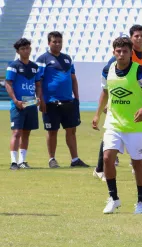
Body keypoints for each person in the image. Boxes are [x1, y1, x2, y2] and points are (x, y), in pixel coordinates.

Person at [92, 37, 142, 214]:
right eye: (118, 51)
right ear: (113, 52)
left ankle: (141, 202)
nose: (121, 54)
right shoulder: (107, 70)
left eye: (125, 51)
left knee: (137, 164)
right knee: (107, 158)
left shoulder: (140, 71)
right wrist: (97, 114)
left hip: (135, 127)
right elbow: (105, 92)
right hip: (114, 123)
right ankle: (113, 198)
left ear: (131, 53)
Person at [36, 31, 88, 168]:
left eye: (60, 41)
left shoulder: (67, 59)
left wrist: (76, 97)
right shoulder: (43, 59)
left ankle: (75, 159)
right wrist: (40, 99)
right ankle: (52, 159)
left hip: (68, 101)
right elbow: (38, 81)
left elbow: (73, 79)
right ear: (49, 43)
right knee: (52, 131)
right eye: (54, 41)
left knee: (71, 130)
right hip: (51, 102)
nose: (58, 44)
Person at [6, 38, 44, 170]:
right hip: (18, 103)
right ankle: (13, 162)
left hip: (30, 102)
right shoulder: (14, 66)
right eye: (23, 49)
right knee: (16, 132)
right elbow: (8, 84)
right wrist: (16, 101)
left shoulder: (35, 67)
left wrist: (38, 97)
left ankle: (22, 161)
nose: (26, 51)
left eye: (27, 48)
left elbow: (38, 85)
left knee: (27, 133)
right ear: (18, 51)